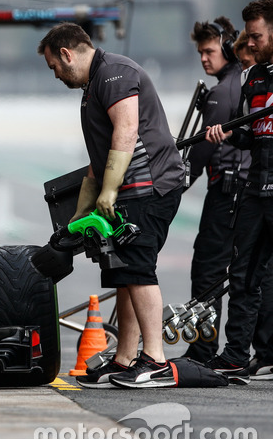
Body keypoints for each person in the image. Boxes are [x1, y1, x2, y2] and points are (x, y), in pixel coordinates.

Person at [37, 22, 185, 389]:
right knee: (122, 272)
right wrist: (80, 213)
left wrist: (108, 192)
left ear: (67, 54)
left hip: (148, 187)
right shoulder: (94, 86)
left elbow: (126, 130)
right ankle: (125, 358)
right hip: (128, 190)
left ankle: (156, 361)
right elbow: (97, 160)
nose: (55, 74)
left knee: (137, 269)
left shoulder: (115, 73)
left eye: (54, 66)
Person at [205, 0, 273, 381]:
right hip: (254, 189)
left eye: (258, 36)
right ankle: (235, 355)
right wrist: (227, 133)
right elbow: (248, 134)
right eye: (249, 35)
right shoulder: (251, 76)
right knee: (244, 275)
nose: (250, 43)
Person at [181, 17, 248, 363]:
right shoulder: (243, 82)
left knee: (207, 271)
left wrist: (173, 185)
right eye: (200, 53)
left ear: (225, 48)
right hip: (244, 193)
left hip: (226, 192)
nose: (204, 58)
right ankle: (249, 353)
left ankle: (202, 349)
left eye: (209, 51)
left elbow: (200, 154)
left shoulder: (223, 91)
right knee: (248, 275)